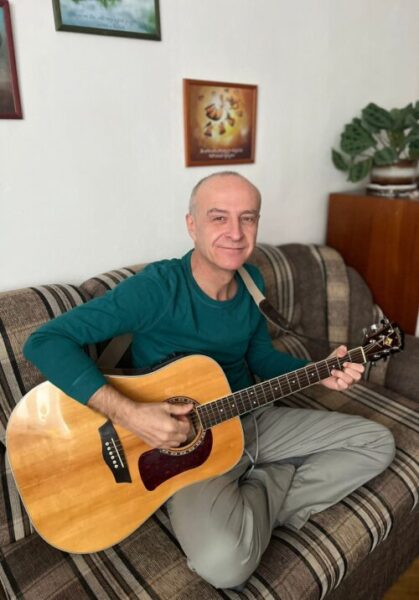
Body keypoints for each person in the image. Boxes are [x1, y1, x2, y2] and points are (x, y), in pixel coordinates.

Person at [24, 172, 395, 591]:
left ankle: (260, 487)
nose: (235, 233)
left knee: (376, 444)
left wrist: (320, 371)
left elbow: (260, 358)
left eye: (247, 218)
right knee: (224, 567)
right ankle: (266, 486)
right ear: (192, 225)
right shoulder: (157, 288)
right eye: (219, 217)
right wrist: (129, 413)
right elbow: (44, 342)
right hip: (184, 451)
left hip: (249, 418)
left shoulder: (252, 282)